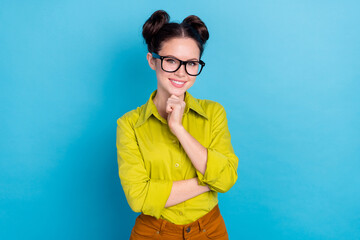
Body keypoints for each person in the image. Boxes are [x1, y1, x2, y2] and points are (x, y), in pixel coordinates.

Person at [116, 10, 239, 240]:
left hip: (209, 231)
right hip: (153, 233)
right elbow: (139, 198)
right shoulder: (128, 125)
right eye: (171, 60)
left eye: (191, 63)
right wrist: (209, 180)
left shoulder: (214, 113)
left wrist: (179, 130)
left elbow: (227, 179)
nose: (181, 72)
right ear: (153, 61)